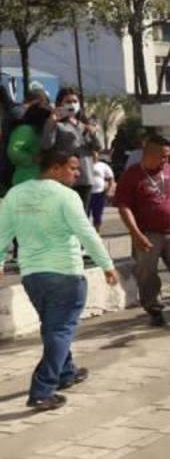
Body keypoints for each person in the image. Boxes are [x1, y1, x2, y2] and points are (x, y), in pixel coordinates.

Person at [0, 151, 118, 410]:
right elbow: (86, 232)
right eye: (73, 168)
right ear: (55, 168)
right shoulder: (66, 196)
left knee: (53, 327)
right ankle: (42, 390)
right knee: (60, 330)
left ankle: (66, 373)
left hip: (32, 276)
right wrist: (107, 265)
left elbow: (2, 233)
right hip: (65, 275)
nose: (77, 173)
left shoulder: (15, 194)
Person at [113, 136, 170, 327]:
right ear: (149, 154)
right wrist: (136, 234)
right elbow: (124, 207)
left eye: (168, 156)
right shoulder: (132, 175)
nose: (166, 160)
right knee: (147, 274)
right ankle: (154, 309)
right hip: (148, 234)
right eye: (163, 156)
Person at [41, 88, 98, 208]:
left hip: (85, 176)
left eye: (75, 101)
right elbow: (46, 145)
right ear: (60, 104)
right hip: (65, 176)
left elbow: (98, 147)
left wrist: (93, 133)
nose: (72, 104)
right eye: (67, 101)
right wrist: (51, 123)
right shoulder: (56, 124)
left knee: (83, 215)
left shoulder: (84, 125)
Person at [5, 91, 52, 190]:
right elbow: (13, 151)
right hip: (24, 180)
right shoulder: (25, 130)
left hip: (38, 180)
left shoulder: (40, 131)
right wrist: (31, 159)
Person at [88, 148, 114, 230]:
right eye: (92, 154)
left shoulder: (103, 165)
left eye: (95, 154)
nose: (94, 156)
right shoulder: (84, 165)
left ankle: (97, 231)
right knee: (85, 215)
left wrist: (109, 190)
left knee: (98, 214)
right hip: (87, 194)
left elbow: (110, 178)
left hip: (99, 193)